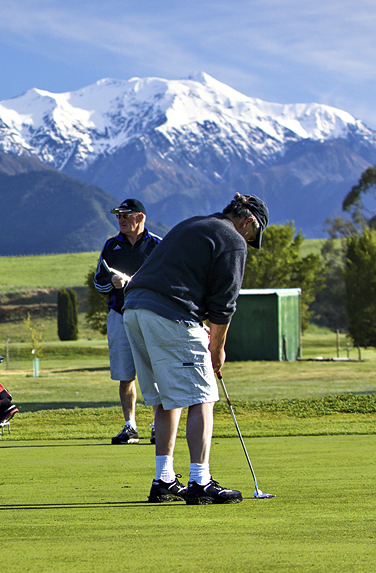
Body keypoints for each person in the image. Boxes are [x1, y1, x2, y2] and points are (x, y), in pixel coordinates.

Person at [122, 193, 269, 504]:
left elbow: (177, 277)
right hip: (166, 312)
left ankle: (164, 480)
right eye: (253, 235)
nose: (250, 243)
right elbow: (223, 305)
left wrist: (190, 318)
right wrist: (217, 349)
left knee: (165, 397)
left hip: (134, 310)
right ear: (248, 222)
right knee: (202, 396)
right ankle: (200, 482)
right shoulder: (233, 239)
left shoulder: (196, 224)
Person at [92, 198, 161, 445]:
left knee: (153, 372)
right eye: (118, 216)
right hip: (120, 315)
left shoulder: (157, 245)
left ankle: (158, 425)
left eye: (125, 216)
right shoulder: (111, 246)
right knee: (125, 375)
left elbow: (167, 281)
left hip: (150, 316)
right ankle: (130, 426)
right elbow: (98, 281)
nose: (120, 220)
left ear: (139, 218)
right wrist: (111, 284)